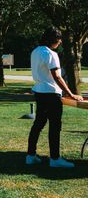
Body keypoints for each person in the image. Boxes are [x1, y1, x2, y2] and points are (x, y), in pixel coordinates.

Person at [27, 27, 82, 168]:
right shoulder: (51, 53)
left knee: (38, 124)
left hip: (39, 92)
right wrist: (70, 93)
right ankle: (55, 159)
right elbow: (57, 76)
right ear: (54, 40)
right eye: (59, 39)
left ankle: (30, 155)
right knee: (55, 126)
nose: (60, 42)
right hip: (51, 94)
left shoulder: (35, 51)